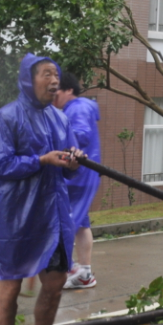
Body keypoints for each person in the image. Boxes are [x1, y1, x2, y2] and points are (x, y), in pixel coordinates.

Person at [0, 54, 85, 325]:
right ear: (28, 80)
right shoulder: (4, 118)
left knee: (54, 285)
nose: (54, 81)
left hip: (52, 214)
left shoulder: (60, 118)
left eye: (56, 74)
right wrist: (41, 160)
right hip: (13, 216)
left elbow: (68, 164)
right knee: (10, 287)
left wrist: (74, 162)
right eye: (46, 74)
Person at [53, 72, 101, 290]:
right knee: (81, 223)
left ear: (69, 90)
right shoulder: (79, 107)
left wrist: (58, 142)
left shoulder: (77, 107)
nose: (54, 98)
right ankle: (84, 274)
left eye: (57, 92)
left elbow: (81, 135)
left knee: (65, 220)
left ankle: (70, 268)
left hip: (78, 175)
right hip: (83, 174)